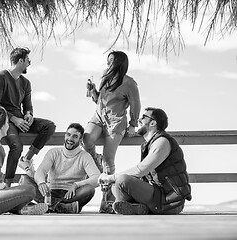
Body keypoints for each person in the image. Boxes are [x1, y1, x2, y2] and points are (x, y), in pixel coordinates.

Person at [98, 107, 192, 215]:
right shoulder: (149, 144)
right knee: (116, 184)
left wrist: (111, 177)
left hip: (170, 200)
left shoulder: (162, 142)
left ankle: (133, 207)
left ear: (152, 123)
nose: (139, 120)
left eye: (143, 117)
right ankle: (138, 208)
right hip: (158, 195)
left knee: (122, 180)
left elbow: (141, 170)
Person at [83, 50, 141, 212]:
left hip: (116, 123)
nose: (108, 64)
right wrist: (93, 90)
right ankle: (96, 159)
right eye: (108, 60)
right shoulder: (105, 77)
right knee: (86, 139)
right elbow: (98, 100)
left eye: (111, 61)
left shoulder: (129, 83)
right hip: (98, 118)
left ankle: (107, 199)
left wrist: (133, 124)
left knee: (108, 161)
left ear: (120, 63)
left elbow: (136, 104)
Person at [0, 47, 56, 187]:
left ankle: (26, 159)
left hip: (21, 120)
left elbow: (28, 106)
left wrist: (28, 115)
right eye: (28, 60)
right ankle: (7, 185)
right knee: (16, 146)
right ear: (20, 61)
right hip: (5, 121)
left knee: (49, 126)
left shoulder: (26, 83)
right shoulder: (0, 78)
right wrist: (14, 119)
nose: (29, 63)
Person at [20, 123, 100, 214]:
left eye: (75, 136)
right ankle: (61, 207)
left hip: (71, 195)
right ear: (65, 135)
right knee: (24, 180)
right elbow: (41, 171)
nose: (70, 139)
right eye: (68, 135)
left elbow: (97, 178)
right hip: (50, 193)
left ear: (80, 139)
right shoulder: (54, 152)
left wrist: (76, 185)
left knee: (89, 190)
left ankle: (50, 207)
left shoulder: (84, 156)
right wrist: (41, 182)